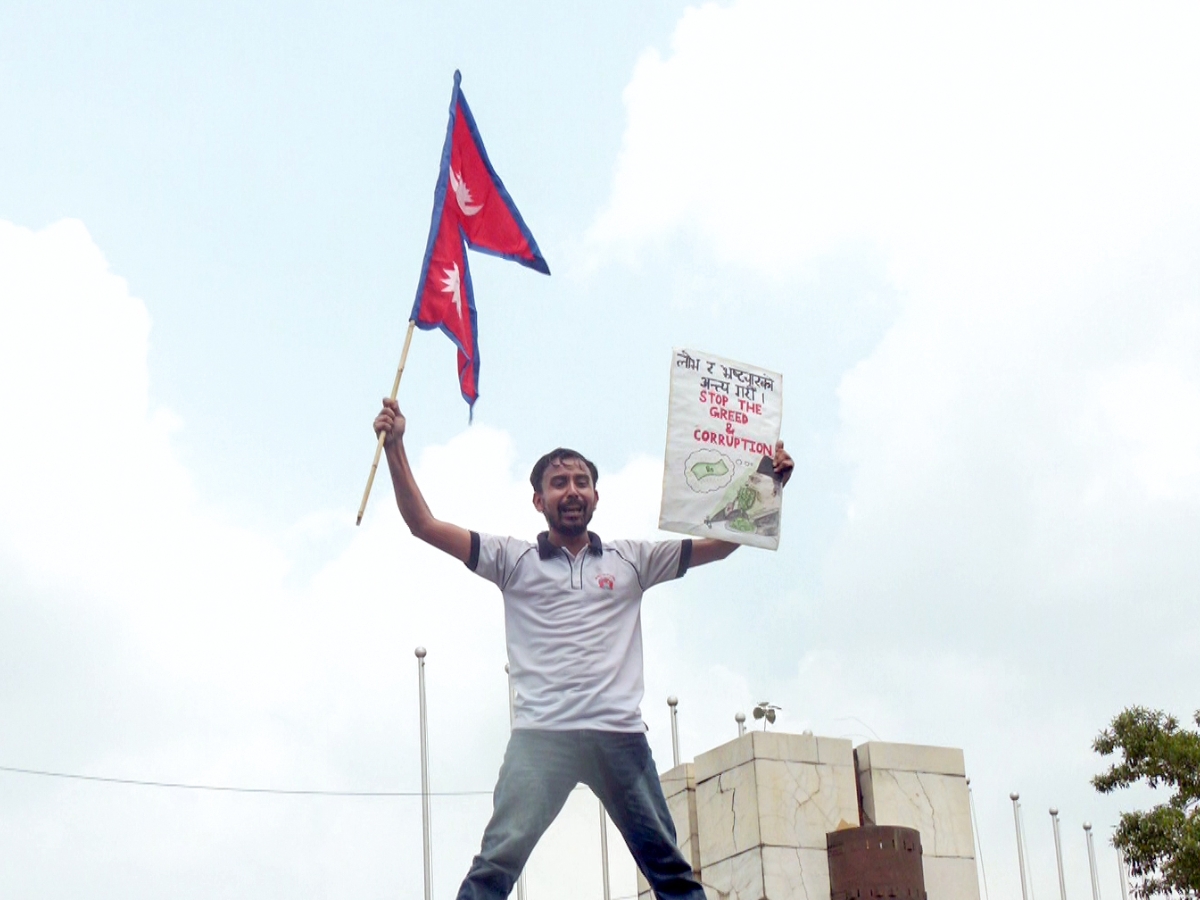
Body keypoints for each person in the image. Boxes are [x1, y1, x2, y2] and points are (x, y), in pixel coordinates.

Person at [373, 398, 794, 900]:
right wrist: (396, 447)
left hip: (619, 736)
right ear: (538, 500)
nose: (571, 491)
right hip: (540, 740)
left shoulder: (633, 559)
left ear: (596, 496)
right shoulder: (512, 560)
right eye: (558, 483)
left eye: (580, 482)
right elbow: (423, 524)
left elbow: (721, 545)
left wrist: (767, 483)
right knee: (492, 871)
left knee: (670, 873)